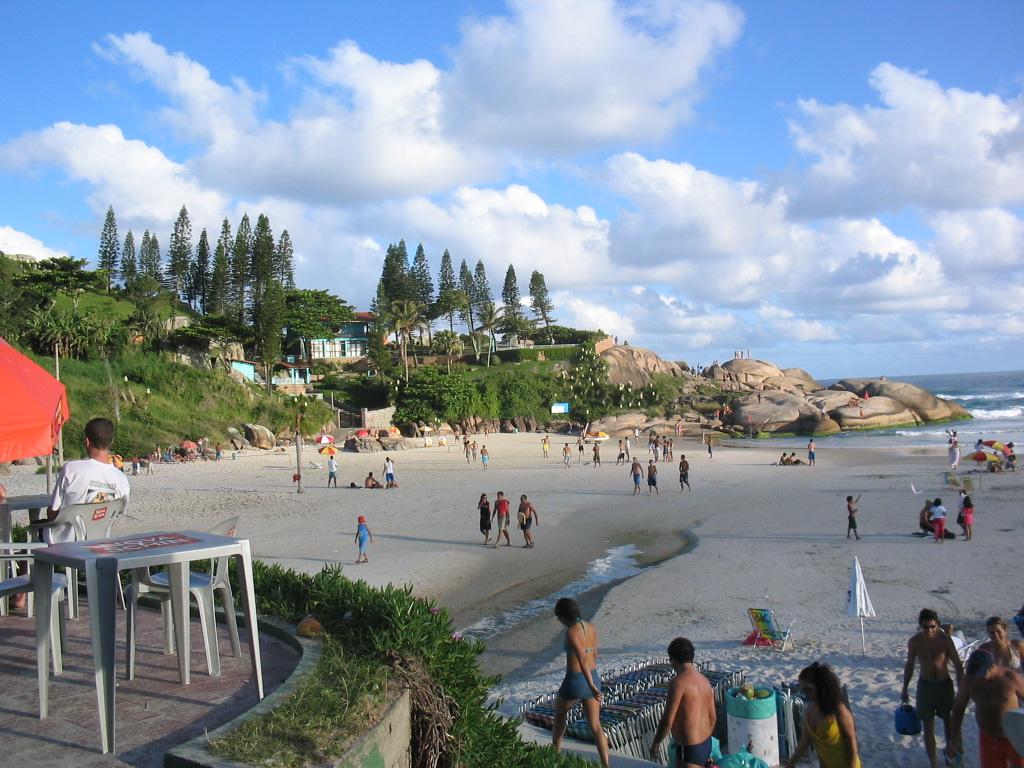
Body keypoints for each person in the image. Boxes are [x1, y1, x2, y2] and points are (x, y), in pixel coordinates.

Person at [39, 417, 131, 544]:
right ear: (111, 442)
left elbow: (53, 512)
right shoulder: (122, 479)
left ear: (87, 441)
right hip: (100, 543)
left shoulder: (71, 469)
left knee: (34, 531)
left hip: (63, 544)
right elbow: (117, 514)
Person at [901, 608, 964, 768]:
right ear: (919, 626)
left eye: (932, 626)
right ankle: (933, 764)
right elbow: (909, 665)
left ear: (938, 625)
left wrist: (962, 688)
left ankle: (951, 760)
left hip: (944, 686)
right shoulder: (914, 642)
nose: (929, 630)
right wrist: (904, 688)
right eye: (925, 627)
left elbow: (957, 664)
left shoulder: (945, 640)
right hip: (925, 687)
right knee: (928, 728)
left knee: (949, 725)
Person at [551, 598, 610, 767]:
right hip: (594, 675)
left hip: (576, 680)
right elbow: (594, 654)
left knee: (560, 713)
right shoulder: (591, 627)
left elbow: (582, 659)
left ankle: (554, 753)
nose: (559, 621)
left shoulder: (571, 632)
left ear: (564, 617)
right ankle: (606, 764)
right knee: (595, 725)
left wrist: (590, 685)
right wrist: (593, 683)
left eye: (558, 618)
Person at [948, 649, 1024, 768]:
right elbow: (958, 708)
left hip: (1013, 738)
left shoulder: (1011, 678)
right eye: (975, 673)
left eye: (981, 673)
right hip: (987, 738)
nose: (977, 677)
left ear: (991, 666)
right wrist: (954, 737)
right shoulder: (969, 680)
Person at [649, 637, 716, 767]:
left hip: (689, 749)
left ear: (673, 659)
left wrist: (656, 743)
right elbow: (713, 718)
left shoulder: (678, 683)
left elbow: (668, 721)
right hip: (706, 744)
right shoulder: (705, 681)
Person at [784, 662, 861, 768]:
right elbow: (804, 741)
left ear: (821, 687)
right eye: (803, 690)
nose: (805, 694)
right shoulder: (810, 709)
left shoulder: (838, 709)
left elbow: (852, 740)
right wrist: (791, 763)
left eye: (809, 690)